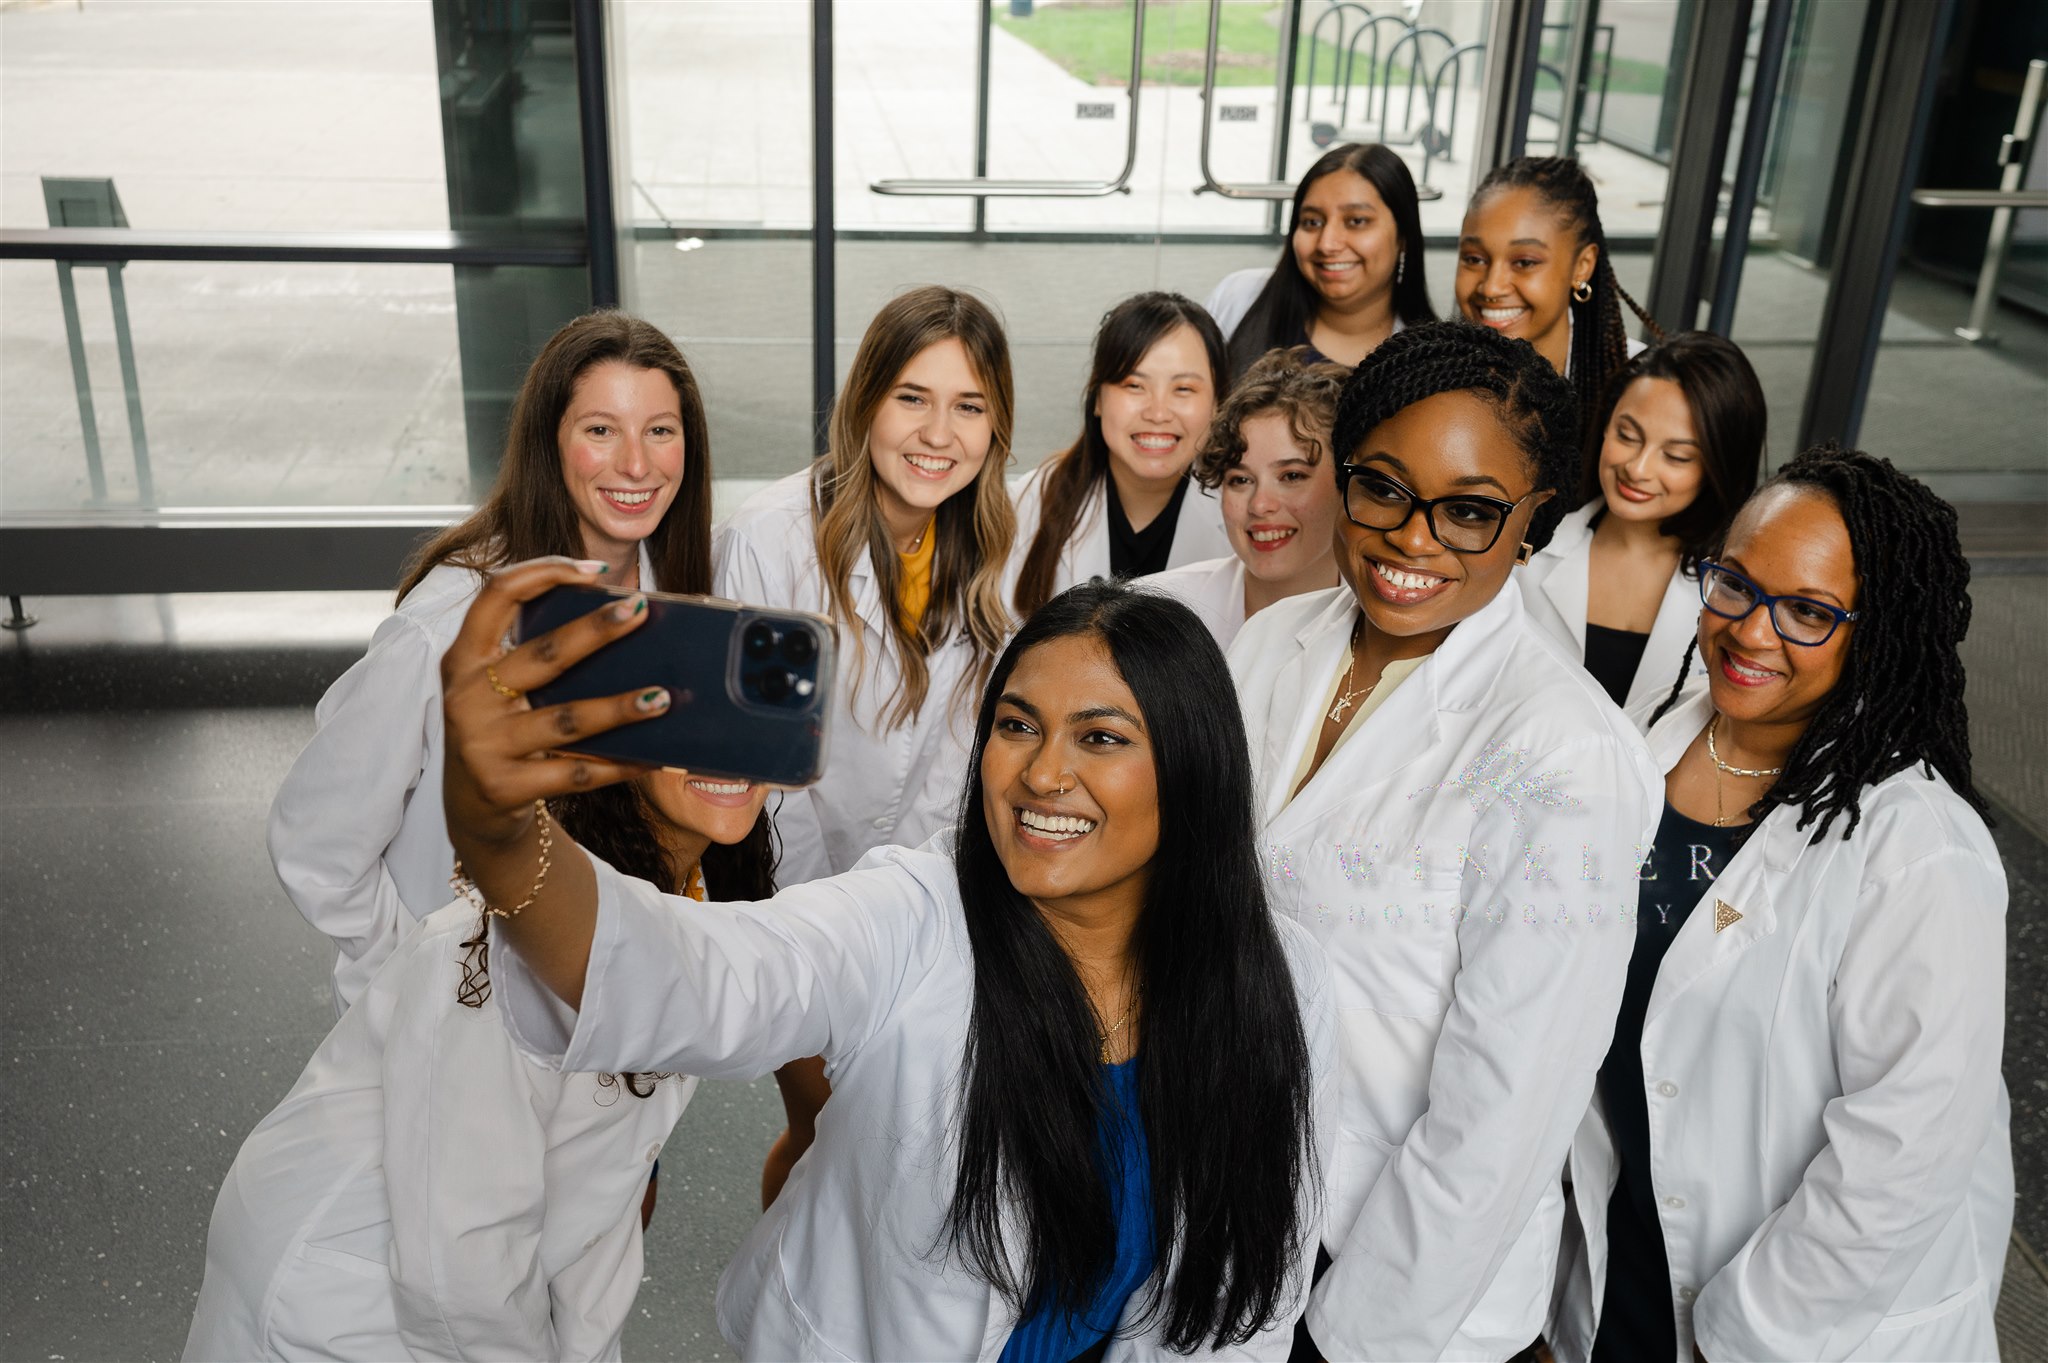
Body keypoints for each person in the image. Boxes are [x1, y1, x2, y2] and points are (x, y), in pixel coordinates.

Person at [435, 568, 1335, 1360]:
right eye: (1017, 725)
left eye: (1100, 737)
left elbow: (1251, 1295)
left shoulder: (1281, 984)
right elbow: (697, 976)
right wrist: (500, 835)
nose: (1042, 774)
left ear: (1192, 767)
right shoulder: (910, 916)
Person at [1226, 321, 1661, 1361]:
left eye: (1469, 511)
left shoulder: (1560, 749)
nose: (1411, 539)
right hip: (1230, 1205)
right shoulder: (1271, 643)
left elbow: (1508, 1104)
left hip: (1392, 1279)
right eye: (1381, 488)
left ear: (1531, 518)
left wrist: (1348, 1338)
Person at [1550, 446, 2012, 1363]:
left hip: (1795, 1322)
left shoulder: (1920, 850)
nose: (1750, 630)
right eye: (1735, 583)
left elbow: (1903, 1158)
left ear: (1874, 632)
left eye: (1808, 611)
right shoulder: (1648, 740)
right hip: (1618, 1277)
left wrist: (1741, 1336)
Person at [183, 768, 777, 1361]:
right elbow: (458, 1265)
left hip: (459, 1275)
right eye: (696, 726)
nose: (731, 755)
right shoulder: (500, 944)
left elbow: (605, 1187)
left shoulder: (692, 902)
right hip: (337, 1299)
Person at [268, 311, 712, 1015]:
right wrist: (416, 976)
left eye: (660, 430)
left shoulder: (681, 600)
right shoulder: (446, 625)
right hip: (462, 1019)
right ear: (549, 442)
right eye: (601, 430)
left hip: (603, 1007)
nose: (637, 464)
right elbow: (315, 840)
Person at [714, 286, 1017, 1206]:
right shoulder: (771, 539)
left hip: (924, 906)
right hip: (795, 901)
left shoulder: (994, 544)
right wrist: (826, 924)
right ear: (864, 402)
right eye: (911, 397)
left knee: (899, 1148)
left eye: (969, 406)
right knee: (827, 1131)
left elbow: (961, 759)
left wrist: (927, 917)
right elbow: (767, 776)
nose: (938, 433)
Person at [1521, 332, 1765, 710]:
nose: (1637, 468)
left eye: (1677, 456)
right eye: (1627, 435)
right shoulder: (1528, 548)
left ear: (1719, 467)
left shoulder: (1741, 594)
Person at [1011, 293, 1232, 618]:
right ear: (1098, 398)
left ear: (1217, 405)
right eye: (1134, 386)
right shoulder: (1027, 505)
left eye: (1184, 389)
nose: (1158, 413)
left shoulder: (1245, 513)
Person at [1137, 346, 1347, 651]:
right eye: (1241, 480)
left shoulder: (1389, 628)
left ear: (1347, 484)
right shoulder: (1154, 615)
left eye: (1292, 476)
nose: (1260, 505)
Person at [1456, 156, 1656, 445]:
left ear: (1582, 266)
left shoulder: (1639, 384)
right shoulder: (1428, 376)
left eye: (1524, 262)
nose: (1491, 287)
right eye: (1474, 259)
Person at [1206, 143, 1436, 380]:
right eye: (1312, 222)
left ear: (1404, 236)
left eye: (1357, 221)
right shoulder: (1239, 297)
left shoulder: (1430, 360)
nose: (1326, 244)